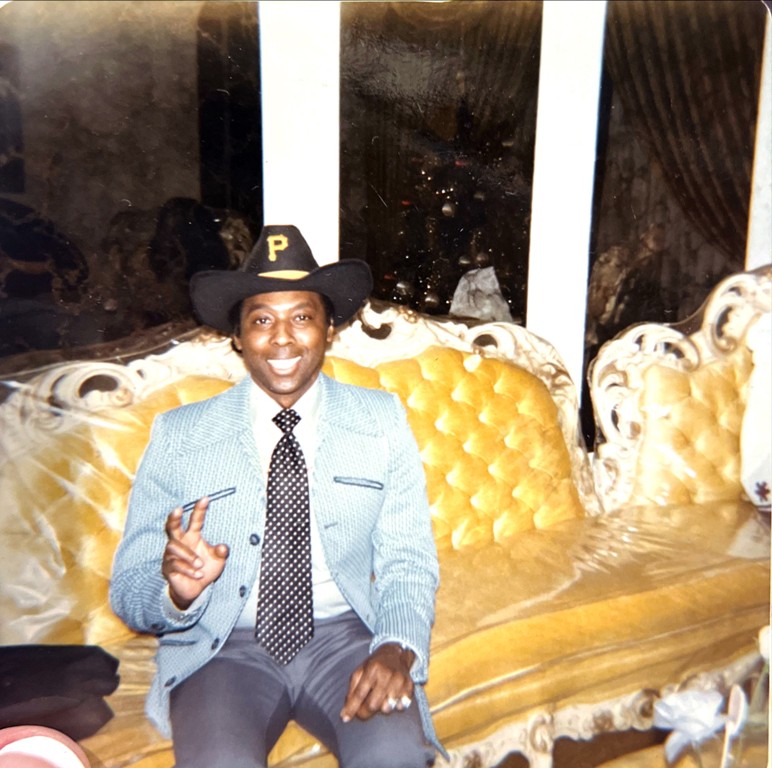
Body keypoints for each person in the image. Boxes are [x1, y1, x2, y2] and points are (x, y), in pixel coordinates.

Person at [109, 225, 443, 768]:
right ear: (238, 337)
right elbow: (129, 588)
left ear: (328, 330)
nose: (283, 338)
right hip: (222, 649)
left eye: (302, 317)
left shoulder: (380, 420)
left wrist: (396, 645)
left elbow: (408, 558)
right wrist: (178, 592)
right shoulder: (179, 436)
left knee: (396, 756)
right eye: (262, 320)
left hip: (345, 641)